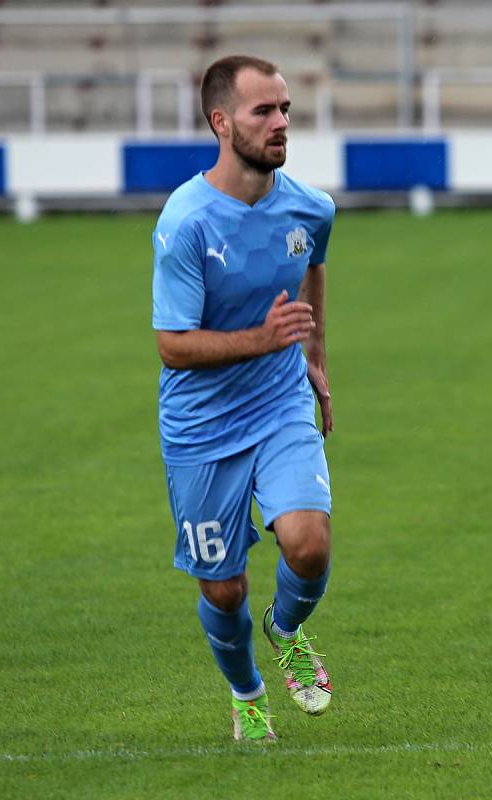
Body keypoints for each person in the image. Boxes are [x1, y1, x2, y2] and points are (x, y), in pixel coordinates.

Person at [151, 54, 336, 743]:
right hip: (200, 427)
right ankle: (247, 692)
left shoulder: (310, 206)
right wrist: (263, 339)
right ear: (222, 122)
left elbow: (314, 262)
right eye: (265, 111)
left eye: (286, 108)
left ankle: (286, 630)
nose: (282, 122)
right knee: (223, 589)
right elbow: (173, 346)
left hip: (280, 403)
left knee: (309, 544)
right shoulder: (186, 223)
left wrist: (313, 357)